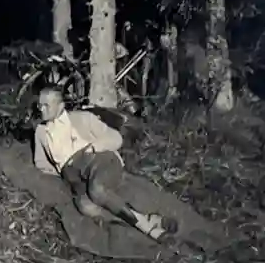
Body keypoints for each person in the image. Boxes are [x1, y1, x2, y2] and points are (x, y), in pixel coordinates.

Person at [33, 87, 167, 241]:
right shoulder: (41, 132)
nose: (42, 110)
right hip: (74, 174)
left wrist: (94, 147)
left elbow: (116, 138)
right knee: (87, 207)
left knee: (97, 190)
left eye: (46, 105)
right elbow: (41, 162)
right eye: (40, 105)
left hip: (97, 159)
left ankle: (148, 228)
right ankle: (145, 218)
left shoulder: (83, 118)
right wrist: (61, 171)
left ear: (61, 106)